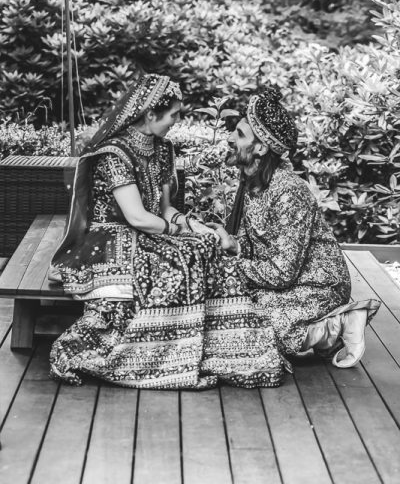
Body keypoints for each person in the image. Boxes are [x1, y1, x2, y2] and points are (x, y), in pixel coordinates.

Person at [49, 74, 287, 388]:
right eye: (173, 115)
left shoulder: (162, 150)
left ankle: (221, 345)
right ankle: (166, 355)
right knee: (180, 257)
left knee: (204, 246)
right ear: (150, 114)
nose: (177, 120)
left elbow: (163, 210)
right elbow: (136, 216)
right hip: (114, 236)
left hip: (151, 230)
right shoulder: (113, 154)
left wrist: (192, 226)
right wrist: (178, 232)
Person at [212, 88, 380, 367]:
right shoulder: (252, 184)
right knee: (228, 310)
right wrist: (234, 247)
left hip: (317, 286)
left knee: (256, 325)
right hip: (280, 281)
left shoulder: (289, 192)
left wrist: (228, 266)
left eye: (239, 134)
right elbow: (261, 250)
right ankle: (324, 337)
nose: (230, 138)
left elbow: (282, 274)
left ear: (261, 148)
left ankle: (338, 323)